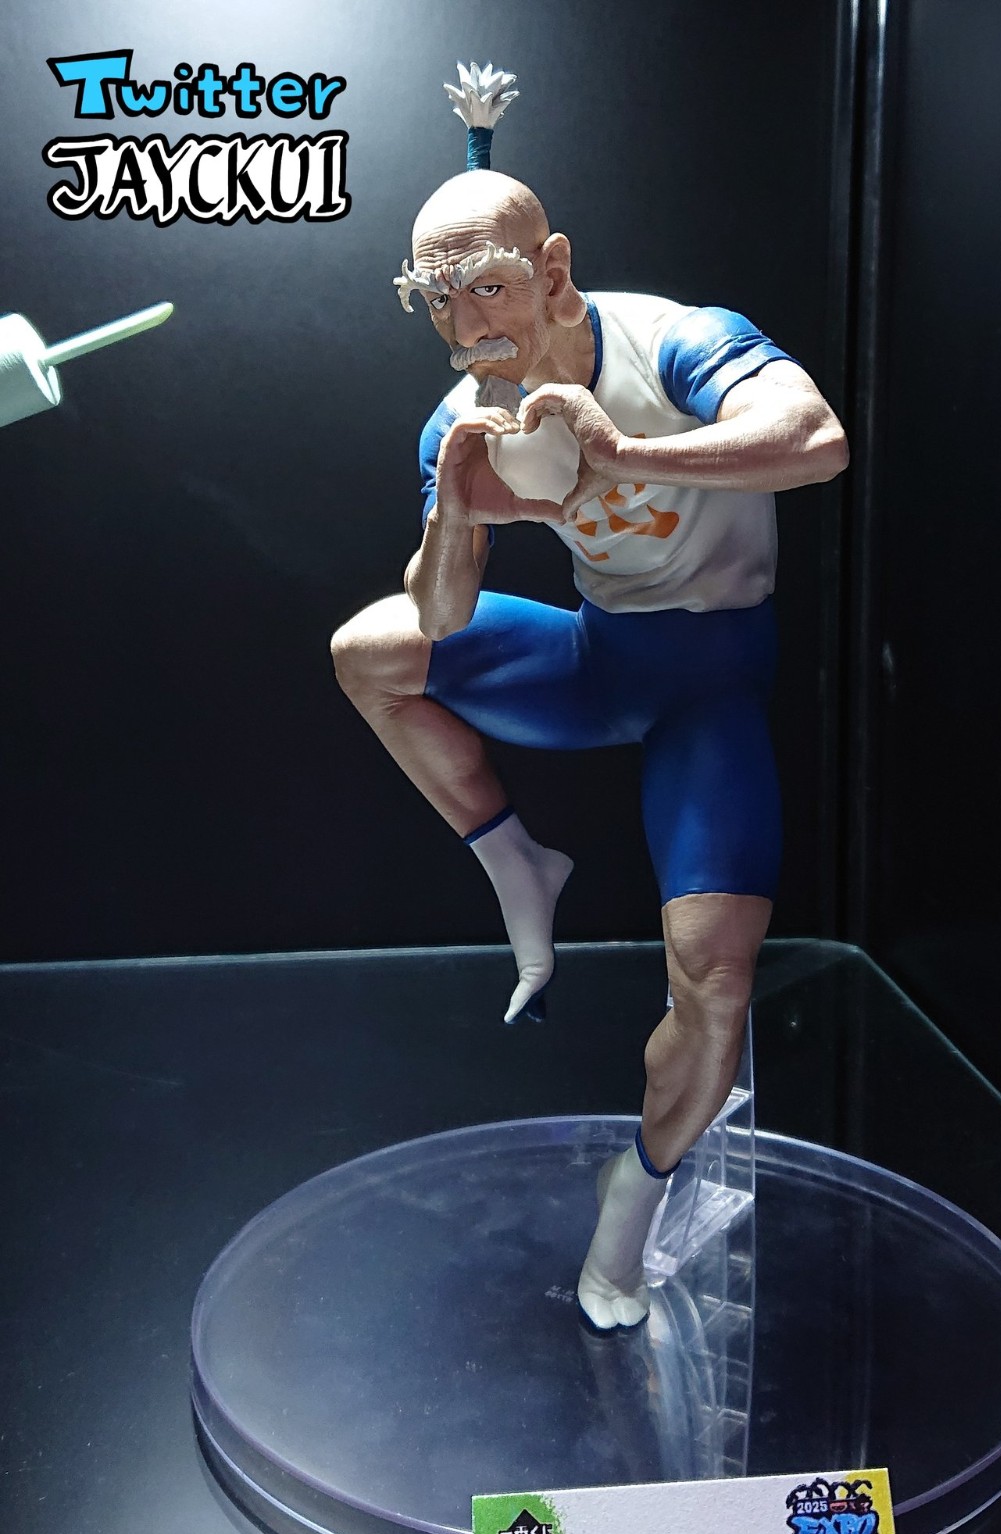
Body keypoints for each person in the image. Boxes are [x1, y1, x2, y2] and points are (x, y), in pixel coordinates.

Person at [331, 71, 848, 1332]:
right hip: (597, 656)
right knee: (367, 649)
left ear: (553, 268)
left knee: (713, 984)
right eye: (436, 298)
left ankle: (636, 1195)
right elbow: (440, 616)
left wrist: (625, 453)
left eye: (487, 285)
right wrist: (456, 512)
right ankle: (519, 865)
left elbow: (816, 439)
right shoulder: (462, 416)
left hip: (708, 683)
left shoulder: (671, 339)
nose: (467, 324)